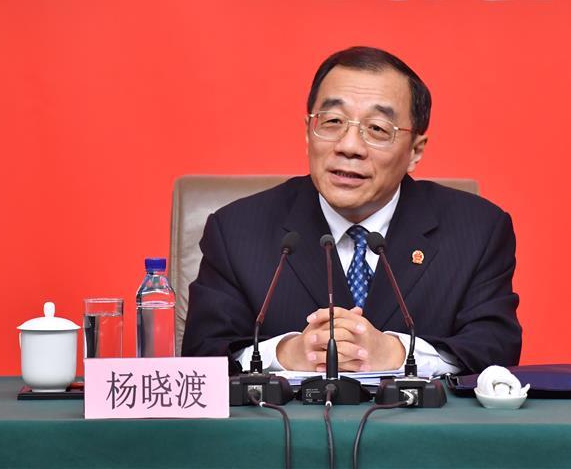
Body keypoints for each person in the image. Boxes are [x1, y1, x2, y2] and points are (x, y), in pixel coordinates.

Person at [181, 46, 521, 375]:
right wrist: (281, 355)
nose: (349, 146)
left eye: (378, 129)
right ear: (308, 133)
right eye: (332, 121)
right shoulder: (237, 231)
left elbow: (495, 350)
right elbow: (201, 354)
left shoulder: (477, 231)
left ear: (415, 151)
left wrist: (398, 353)